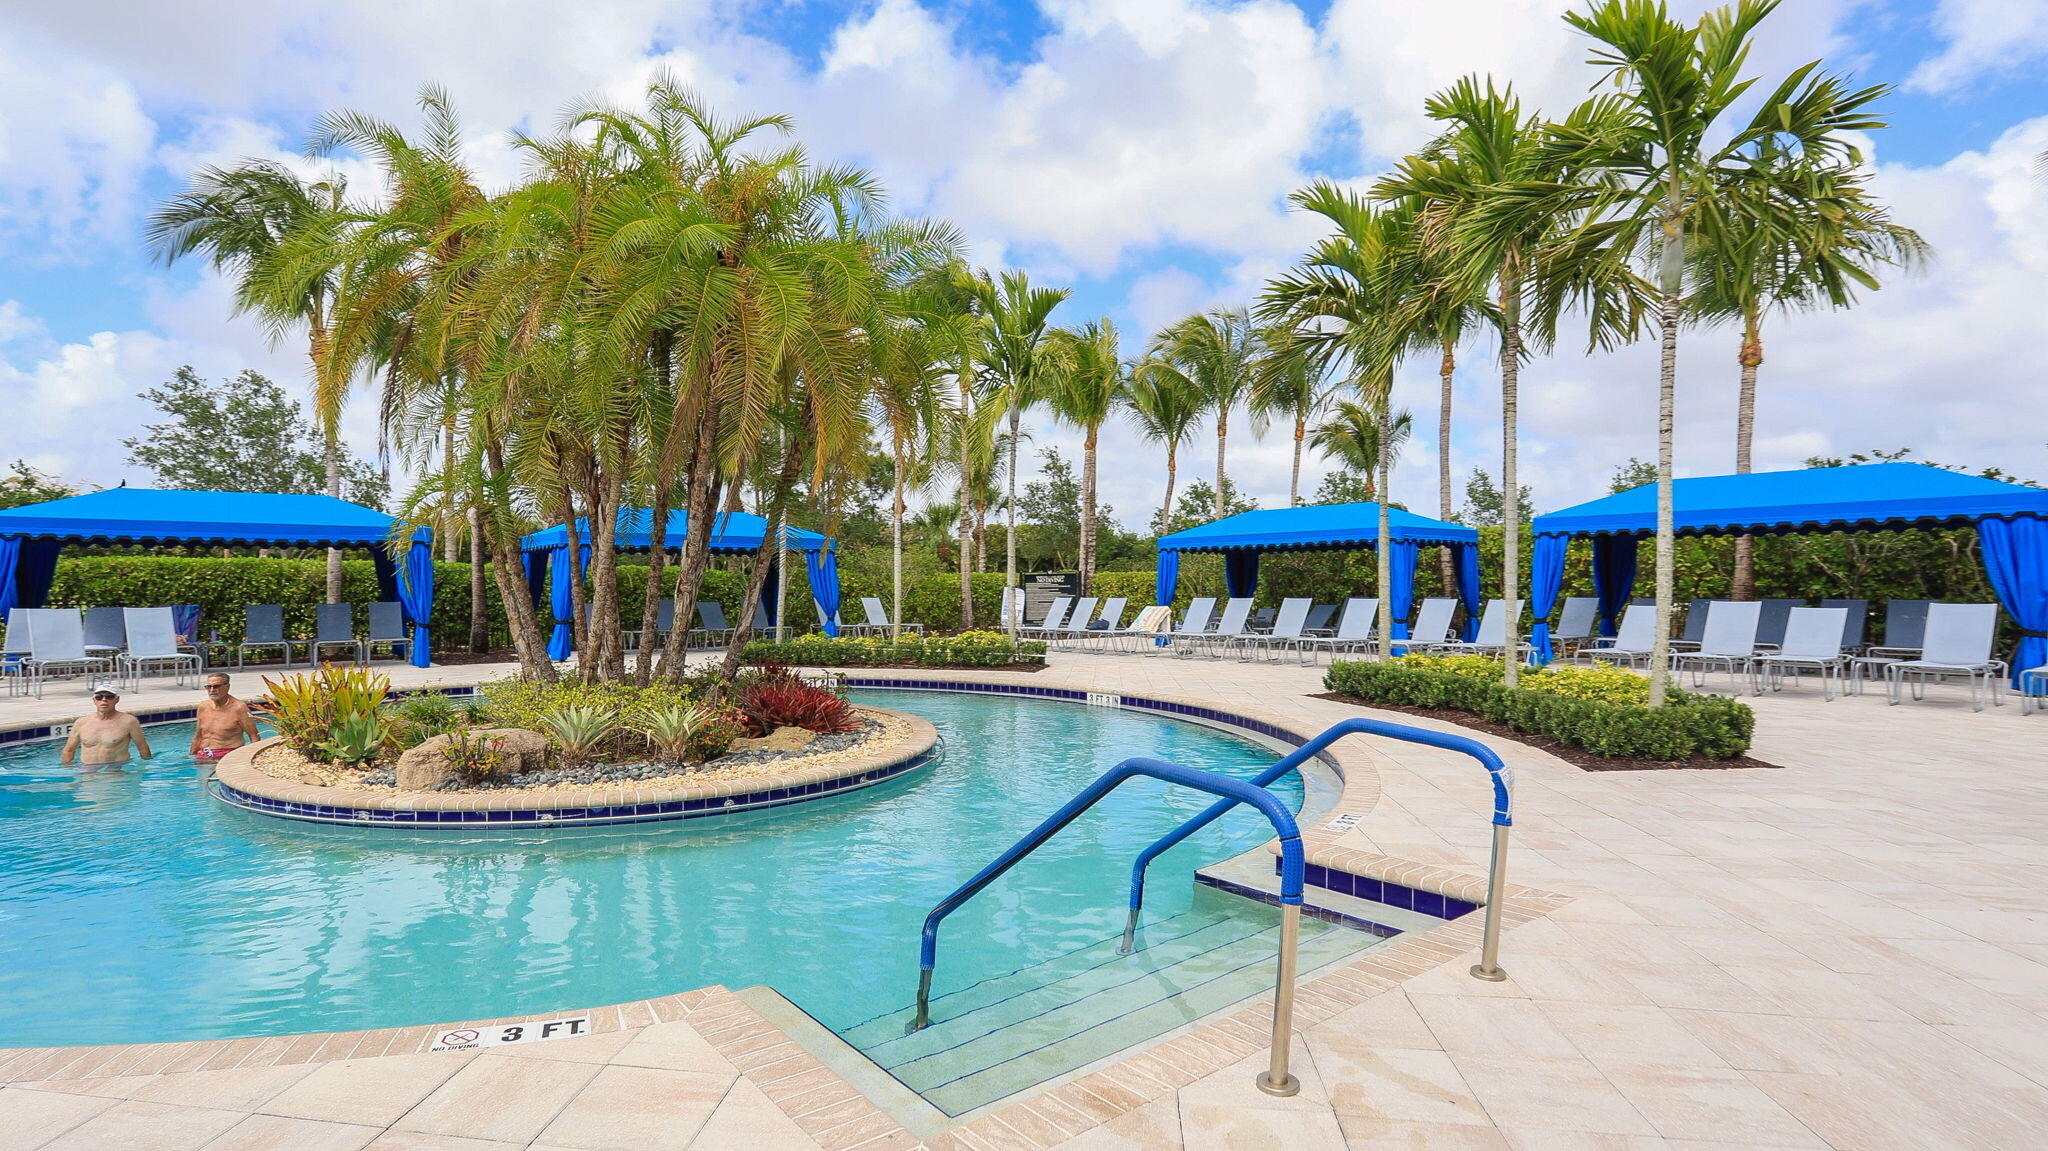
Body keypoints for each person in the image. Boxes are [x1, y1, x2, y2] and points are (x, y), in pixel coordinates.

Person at [59, 684, 153, 767]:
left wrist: (144, 769)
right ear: (94, 700)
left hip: (116, 768)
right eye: (99, 697)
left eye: (109, 697)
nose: (104, 700)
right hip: (88, 769)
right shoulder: (81, 722)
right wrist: (67, 768)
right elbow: (69, 750)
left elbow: (142, 747)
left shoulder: (129, 722)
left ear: (117, 700)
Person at [190, 672, 259, 763]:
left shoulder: (239, 708)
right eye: (209, 687)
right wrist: (192, 756)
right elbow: (198, 736)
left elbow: (254, 736)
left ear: (227, 687)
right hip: (203, 754)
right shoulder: (203, 706)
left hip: (227, 756)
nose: (212, 690)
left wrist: (253, 760)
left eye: (216, 686)